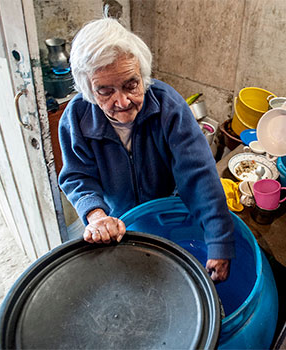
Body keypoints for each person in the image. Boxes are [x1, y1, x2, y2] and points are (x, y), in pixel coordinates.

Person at [58, 18, 235, 282]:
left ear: (143, 75)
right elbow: (77, 176)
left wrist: (219, 240)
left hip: (166, 206)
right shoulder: (76, 118)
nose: (122, 101)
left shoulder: (169, 107)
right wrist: (96, 215)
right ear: (88, 90)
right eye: (105, 91)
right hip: (117, 216)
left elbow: (199, 175)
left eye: (131, 84)